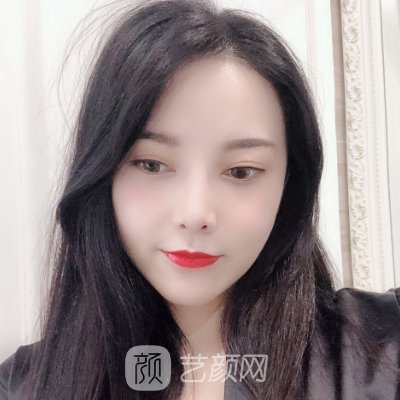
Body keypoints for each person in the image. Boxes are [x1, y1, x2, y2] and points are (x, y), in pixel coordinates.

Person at [1, 0, 399, 399]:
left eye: (241, 171)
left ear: (290, 183)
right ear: (102, 174)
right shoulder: (23, 387)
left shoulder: (384, 354)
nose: (195, 214)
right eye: (152, 165)